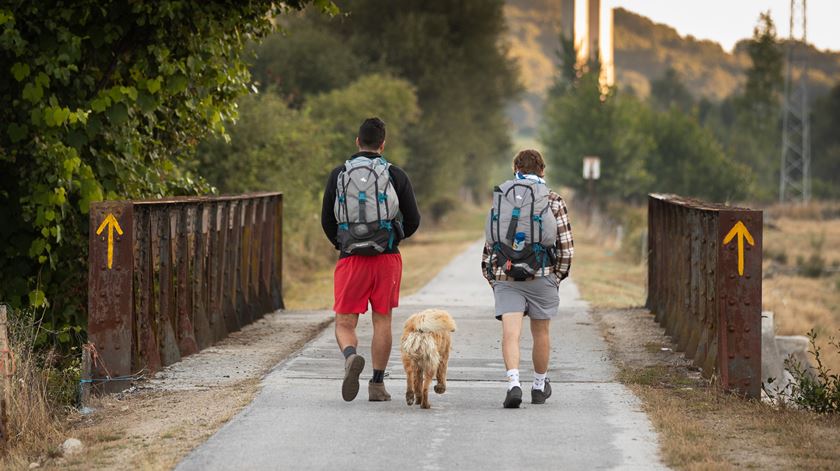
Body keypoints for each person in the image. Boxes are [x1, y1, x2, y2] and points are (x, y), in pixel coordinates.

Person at [321, 117, 421, 402]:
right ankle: (377, 385)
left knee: (344, 322)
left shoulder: (339, 174)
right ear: (383, 144)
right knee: (382, 320)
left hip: (351, 258)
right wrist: (393, 239)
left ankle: (351, 356)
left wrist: (343, 244)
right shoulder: (395, 174)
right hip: (386, 258)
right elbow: (413, 219)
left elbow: (327, 219)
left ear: (357, 141)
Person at [481, 149, 574, 408]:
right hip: (542, 275)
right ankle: (538, 386)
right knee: (541, 332)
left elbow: (491, 241)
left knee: (511, 333)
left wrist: (494, 276)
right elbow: (566, 246)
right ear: (542, 170)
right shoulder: (553, 200)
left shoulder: (503, 196)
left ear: (516, 169)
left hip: (506, 275)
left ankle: (513, 384)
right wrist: (557, 276)